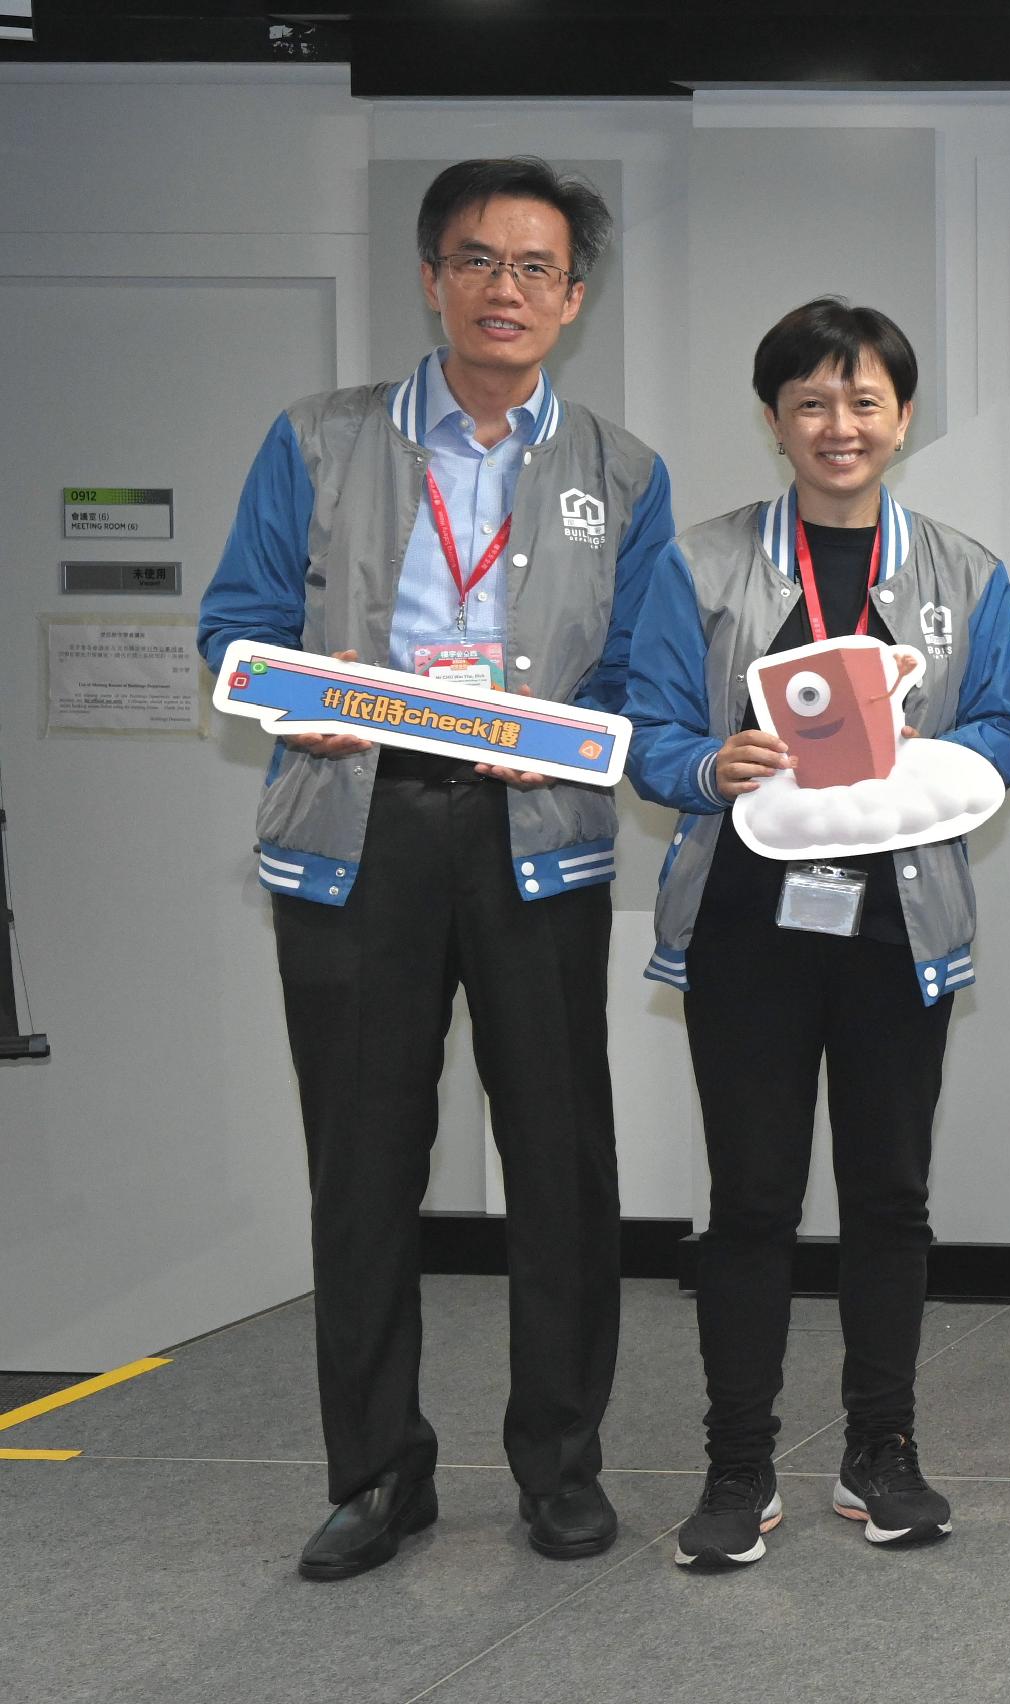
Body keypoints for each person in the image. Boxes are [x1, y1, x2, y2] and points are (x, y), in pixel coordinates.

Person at [195, 157, 682, 1581]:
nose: (506, 290)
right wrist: (305, 690)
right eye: (479, 261)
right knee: (361, 1167)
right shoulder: (316, 440)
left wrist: (582, 746)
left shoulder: (620, 468)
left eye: (537, 269)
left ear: (575, 298)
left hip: (535, 841)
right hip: (360, 827)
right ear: (431, 277)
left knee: (561, 1162)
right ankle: (376, 1473)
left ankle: (559, 1465)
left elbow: (651, 683)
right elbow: (231, 630)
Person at [624, 299, 1010, 1569]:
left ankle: (882, 1455)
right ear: (773, 422)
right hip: (748, 921)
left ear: (902, 419)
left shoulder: (965, 572)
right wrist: (714, 762)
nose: (840, 425)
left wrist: (941, 755)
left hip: (896, 919)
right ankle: (736, 1466)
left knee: (889, 1197)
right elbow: (645, 731)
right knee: (749, 1200)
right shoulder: (698, 566)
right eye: (811, 402)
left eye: (865, 402)